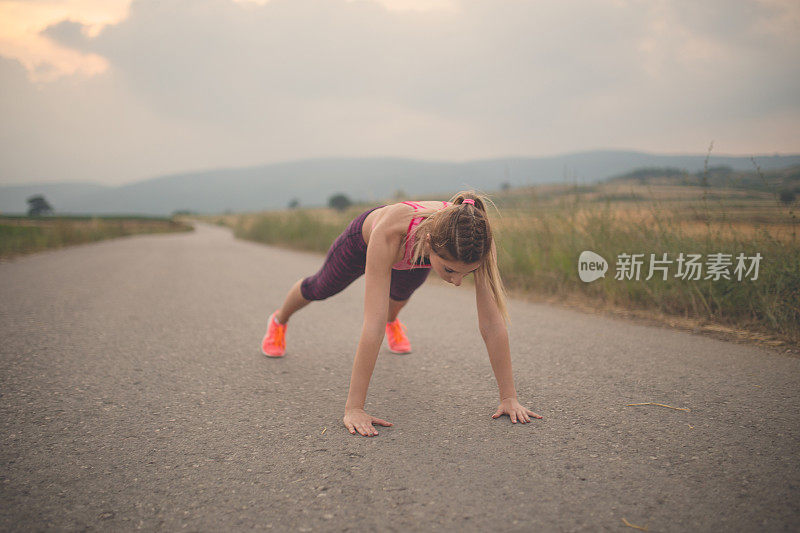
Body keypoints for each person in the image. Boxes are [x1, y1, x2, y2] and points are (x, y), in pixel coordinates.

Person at [261, 190, 543, 437]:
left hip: (417, 252)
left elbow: (492, 324)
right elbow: (371, 326)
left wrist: (509, 398)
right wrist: (355, 409)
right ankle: (278, 321)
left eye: (465, 275)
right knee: (321, 287)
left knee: (398, 298)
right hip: (365, 242)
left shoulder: (477, 242)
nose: (457, 282)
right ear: (431, 243)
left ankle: (393, 321)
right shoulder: (390, 235)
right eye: (450, 271)